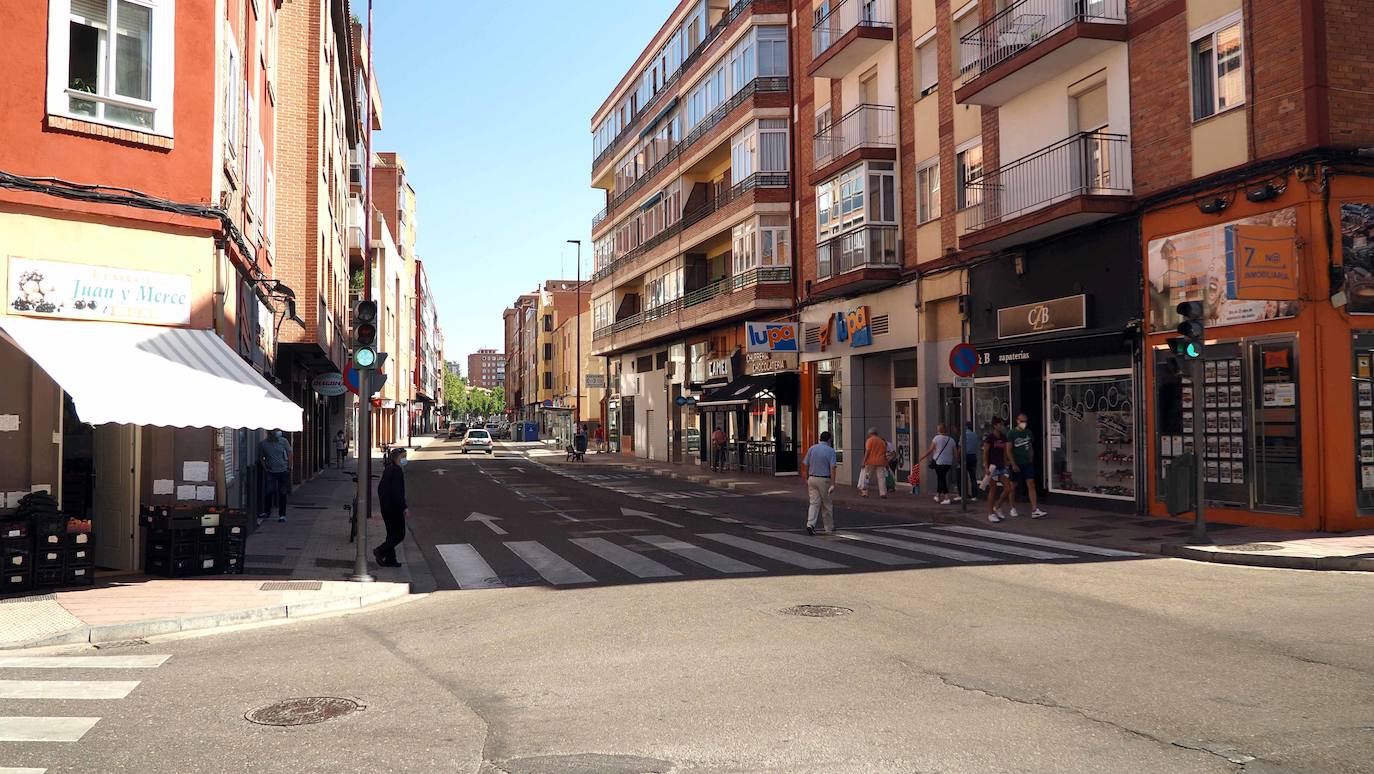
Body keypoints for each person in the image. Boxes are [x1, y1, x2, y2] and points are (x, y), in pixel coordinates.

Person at [1006, 412, 1046, 518]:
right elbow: (1009, 450)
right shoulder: (1012, 433)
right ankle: (1012, 508)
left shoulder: (1028, 432)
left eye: (1025, 421)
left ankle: (1034, 509)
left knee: (1031, 483)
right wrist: (1013, 463)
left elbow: (1030, 446)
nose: (1023, 423)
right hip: (1016, 462)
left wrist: (1031, 459)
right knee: (1013, 486)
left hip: (1027, 463)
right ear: (1017, 421)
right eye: (1021, 421)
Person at [374, 447, 408, 568]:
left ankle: (390, 559)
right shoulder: (397, 471)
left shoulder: (388, 469)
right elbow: (397, 492)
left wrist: (383, 502)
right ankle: (380, 550)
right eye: (403, 457)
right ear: (397, 458)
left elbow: (380, 488)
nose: (405, 459)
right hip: (394, 508)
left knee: (391, 533)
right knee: (400, 534)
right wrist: (404, 507)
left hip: (385, 507)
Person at [802, 431, 838, 535]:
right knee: (826, 503)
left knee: (814, 503)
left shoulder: (812, 448)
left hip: (812, 478)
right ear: (829, 439)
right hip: (824, 479)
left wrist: (806, 477)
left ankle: (810, 524)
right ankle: (829, 527)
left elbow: (805, 464)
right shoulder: (831, 451)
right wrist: (833, 483)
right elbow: (832, 468)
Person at [916, 423, 958, 505]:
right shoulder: (951, 440)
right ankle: (937, 495)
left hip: (939, 462)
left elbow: (931, 449)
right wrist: (957, 461)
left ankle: (946, 497)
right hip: (948, 462)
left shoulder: (936, 438)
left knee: (941, 479)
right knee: (941, 477)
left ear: (939, 430)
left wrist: (922, 457)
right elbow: (955, 453)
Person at [257, 429, 292, 525]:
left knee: (282, 492)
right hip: (271, 472)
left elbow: (289, 453)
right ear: (269, 432)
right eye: (275, 430)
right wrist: (265, 468)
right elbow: (261, 457)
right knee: (269, 491)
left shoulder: (283, 441)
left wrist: (289, 466)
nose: (277, 432)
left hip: (283, 470)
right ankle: (267, 511)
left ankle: (282, 515)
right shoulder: (263, 444)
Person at [983, 417, 1011, 522]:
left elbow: (1004, 451)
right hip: (992, 466)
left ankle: (998, 506)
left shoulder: (1003, 437)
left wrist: (1006, 462)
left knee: (1008, 488)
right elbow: (985, 453)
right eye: (999, 424)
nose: (1001, 426)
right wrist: (986, 467)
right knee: (993, 490)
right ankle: (990, 513)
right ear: (994, 425)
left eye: (1002, 424)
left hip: (1001, 466)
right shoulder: (990, 438)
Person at [858, 427, 889, 498]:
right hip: (881, 461)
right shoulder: (882, 441)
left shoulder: (870, 440)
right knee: (881, 478)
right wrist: (886, 463)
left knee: (867, 477)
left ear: (870, 433)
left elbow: (868, 451)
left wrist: (863, 461)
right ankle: (883, 493)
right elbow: (884, 453)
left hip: (870, 461)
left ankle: (865, 492)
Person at [961, 422, 981, 499]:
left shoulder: (963, 435)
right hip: (973, 456)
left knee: (963, 476)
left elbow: (960, 447)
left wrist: (959, 457)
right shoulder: (975, 435)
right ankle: (974, 495)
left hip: (965, 456)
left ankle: (964, 494)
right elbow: (977, 445)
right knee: (973, 477)